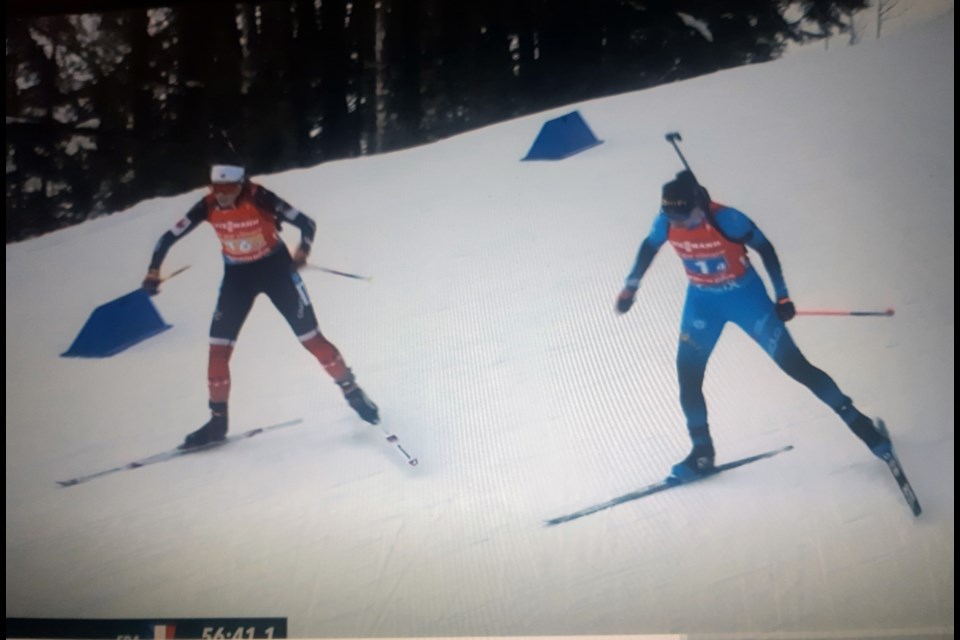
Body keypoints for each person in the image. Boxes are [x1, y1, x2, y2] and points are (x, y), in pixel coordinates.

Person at [615, 170, 892, 479]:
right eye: (674, 220)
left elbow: (766, 249)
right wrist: (631, 287)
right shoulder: (666, 221)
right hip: (703, 304)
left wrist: (783, 296)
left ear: (699, 205)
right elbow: (649, 247)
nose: (680, 226)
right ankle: (702, 454)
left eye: (687, 219)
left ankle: (865, 429)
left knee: (796, 367)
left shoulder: (728, 220)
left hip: (747, 300)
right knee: (688, 377)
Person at [142, 164, 379, 449]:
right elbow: (168, 237)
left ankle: (353, 393)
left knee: (311, 339)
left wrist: (302, 251)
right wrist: (153, 271)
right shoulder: (207, 205)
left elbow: (306, 223)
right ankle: (218, 423)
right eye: (217, 190)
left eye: (229, 190)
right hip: (238, 278)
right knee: (217, 349)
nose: (223, 196)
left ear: (241, 184)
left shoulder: (260, 197)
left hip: (276, 270)